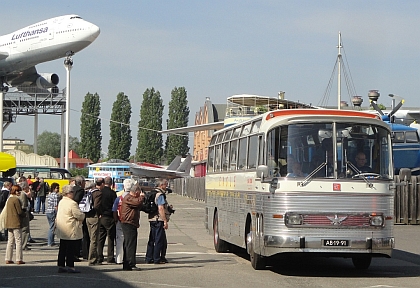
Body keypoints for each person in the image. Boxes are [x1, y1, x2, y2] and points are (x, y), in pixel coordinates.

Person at [55, 185, 85, 273]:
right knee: (71, 249)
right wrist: (83, 215)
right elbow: (78, 215)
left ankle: (61, 265)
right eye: (72, 192)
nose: (73, 193)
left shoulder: (62, 201)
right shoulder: (72, 203)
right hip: (70, 227)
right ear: (68, 193)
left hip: (62, 227)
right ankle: (70, 266)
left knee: (62, 248)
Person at [145, 178, 172, 265]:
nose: (166, 186)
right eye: (165, 184)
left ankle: (149, 258)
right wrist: (165, 220)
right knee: (159, 240)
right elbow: (160, 208)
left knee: (152, 239)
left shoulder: (152, 193)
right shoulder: (160, 195)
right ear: (161, 185)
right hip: (158, 219)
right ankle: (157, 258)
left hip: (152, 219)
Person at [120, 184, 144, 271]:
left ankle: (127, 263)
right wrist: (141, 197)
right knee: (130, 244)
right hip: (128, 223)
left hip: (130, 222)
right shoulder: (129, 198)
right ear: (136, 192)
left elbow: (138, 205)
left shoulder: (129, 198)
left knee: (128, 243)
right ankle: (130, 263)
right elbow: (137, 202)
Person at [112, 178, 135, 264]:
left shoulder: (119, 198)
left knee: (119, 240)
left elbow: (114, 210)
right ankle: (129, 258)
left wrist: (116, 220)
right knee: (129, 241)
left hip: (120, 220)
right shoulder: (133, 198)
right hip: (130, 221)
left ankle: (119, 258)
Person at [97, 176, 117, 264]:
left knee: (101, 238)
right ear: (111, 184)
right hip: (109, 216)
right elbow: (114, 207)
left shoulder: (100, 192)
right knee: (110, 238)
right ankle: (110, 257)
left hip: (101, 216)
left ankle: (99, 256)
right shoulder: (112, 193)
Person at [4, 185, 25, 264]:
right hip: (16, 222)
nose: (18, 192)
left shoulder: (9, 199)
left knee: (10, 241)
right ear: (14, 191)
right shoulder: (16, 200)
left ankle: (8, 258)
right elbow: (19, 212)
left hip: (9, 222)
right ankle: (19, 258)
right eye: (17, 191)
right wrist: (24, 213)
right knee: (18, 241)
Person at [86, 178, 103, 266]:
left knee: (90, 237)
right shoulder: (98, 193)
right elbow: (97, 206)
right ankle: (92, 259)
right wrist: (100, 213)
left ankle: (93, 256)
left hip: (87, 216)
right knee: (94, 239)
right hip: (94, 216)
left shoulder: (88, 192)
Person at [72, 175, 86, 261]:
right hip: (77, 212)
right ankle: (76, 254)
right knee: (77, 234)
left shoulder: (72, 189)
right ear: (81, 183)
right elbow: (77, 199)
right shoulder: (80, 190)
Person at [18, 181, 31, 251]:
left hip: (23, 213)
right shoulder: (23, 194)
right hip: (24, 214)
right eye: (27, 187)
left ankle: (23, 244)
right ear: (25, 188)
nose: (28, 188)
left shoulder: (21, 193)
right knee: (25, 230)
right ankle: (23, 245)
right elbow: (24, 205)